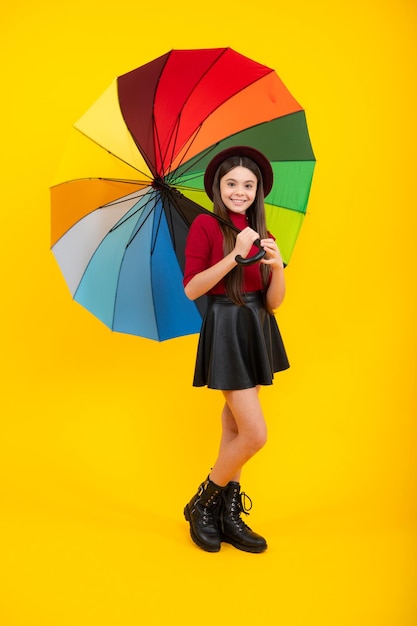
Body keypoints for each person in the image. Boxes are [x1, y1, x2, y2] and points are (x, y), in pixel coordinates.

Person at [182, 146, 289, 553]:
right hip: (226, 326)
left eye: (248, 184)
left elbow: (274, 301)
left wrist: (276, 265)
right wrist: (234, 256)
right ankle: (203, 501)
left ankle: (226, 514)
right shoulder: (206, 227)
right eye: (232, 184)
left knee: (233, 428)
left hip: (258, 327)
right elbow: (193, 288)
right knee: (254, 434)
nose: (240, 191)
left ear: (257, 190)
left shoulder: (264, 231)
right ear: (217, 187)